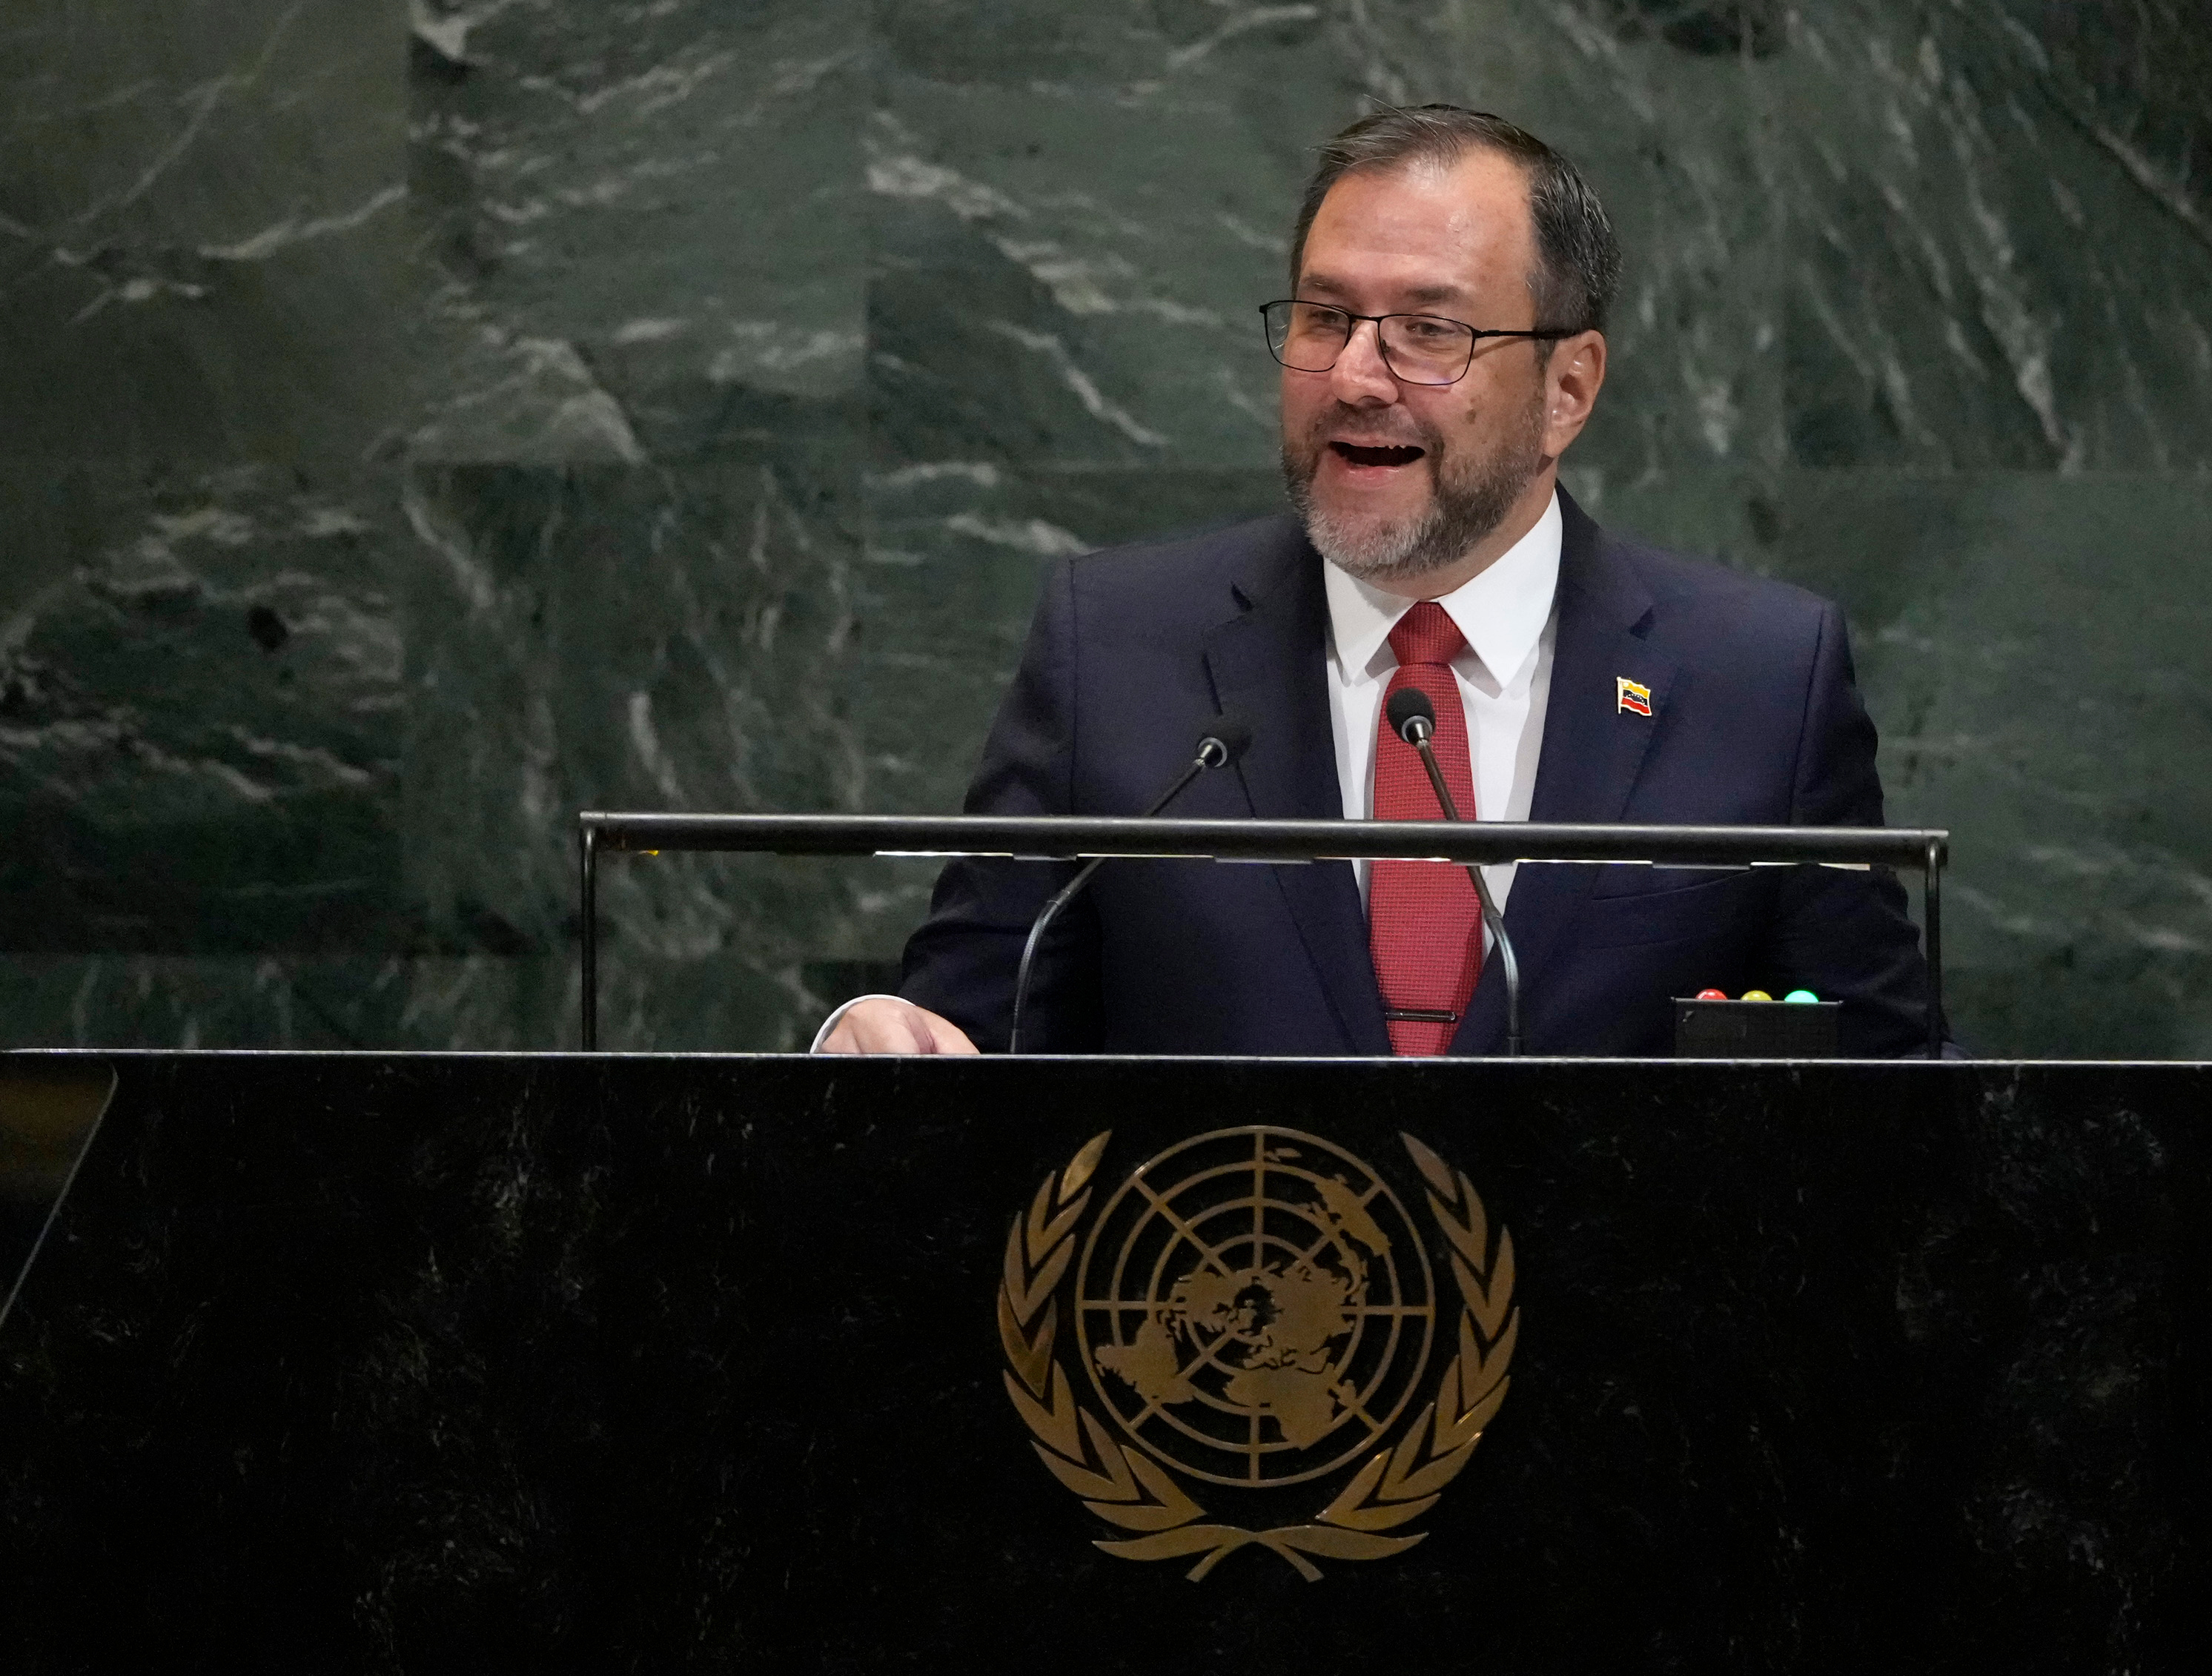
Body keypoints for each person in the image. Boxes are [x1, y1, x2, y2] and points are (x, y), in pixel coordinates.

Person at [816, 105, 1938, 1058]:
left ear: (1568, 388)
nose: (1354, 376)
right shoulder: (1113, 651)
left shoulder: (1760, 682)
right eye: (1323, 318)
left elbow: (1894, 1100)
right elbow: (968, 1032)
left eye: (1426, 330)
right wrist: (871, 1032)